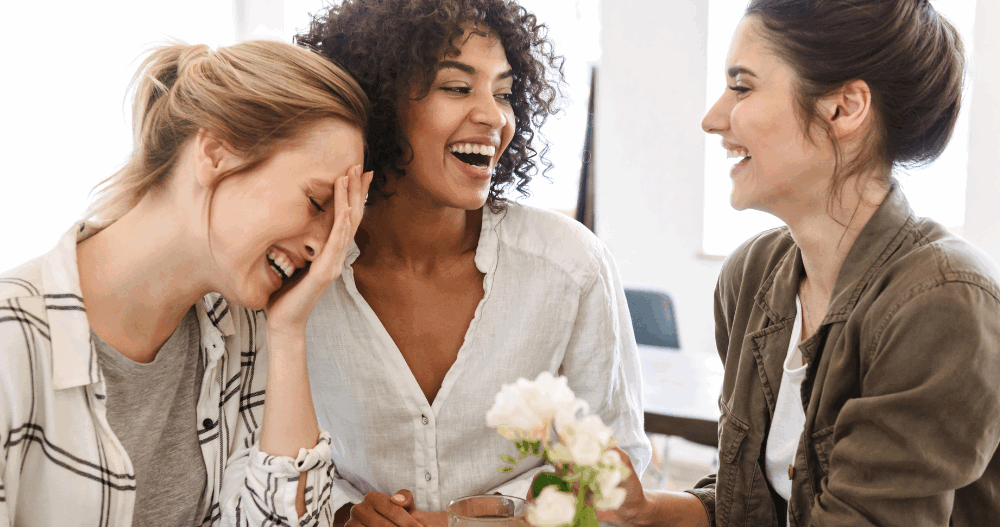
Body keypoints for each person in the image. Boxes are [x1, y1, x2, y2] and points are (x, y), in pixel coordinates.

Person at [596, 0, 1000, 526]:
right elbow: (755, 503)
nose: (712, 118)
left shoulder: (946, 302)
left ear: (844, 108)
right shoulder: (752, 275)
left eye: (742, 86)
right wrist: (647, 511)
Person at [295, 1, 652, 525]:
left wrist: (509, 514)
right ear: (377, 102)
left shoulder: (570, 266)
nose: (493, 116)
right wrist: (344, 515)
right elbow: (258, 452)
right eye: (457, 88)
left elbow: (617, 461)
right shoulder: (300, 268)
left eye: (504, 93)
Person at [0, 40, 373, 526]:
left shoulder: (244, 333)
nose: (323, 251)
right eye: (318, 203)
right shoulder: (14, 340)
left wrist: (288, 334)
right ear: (216, 152)